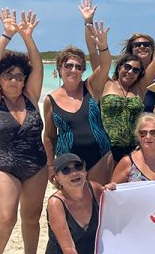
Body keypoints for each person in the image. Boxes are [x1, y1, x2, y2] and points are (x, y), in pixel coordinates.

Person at [0, 8, 48, 254]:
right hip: (2, 164)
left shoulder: (31, 96)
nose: (15, 80)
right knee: (6, 217)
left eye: (20, 76)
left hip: (36, 164)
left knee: (31, 217)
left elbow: (38, 67)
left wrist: (28, 37)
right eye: (9, 76)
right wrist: (8, 34)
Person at [43, 153, 119, 254]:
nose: (74, 172)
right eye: (66, 170)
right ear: (57, 179)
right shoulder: (56, 203)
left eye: (78, 166)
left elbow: (120, 212)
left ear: (85, 171)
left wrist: (114, 191)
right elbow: (68, 250)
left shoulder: (96, 189)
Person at [43, 26, 113, 185]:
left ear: (83, 71)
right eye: (68, 65)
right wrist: (50, 165)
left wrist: (103, 47)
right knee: (74, 200)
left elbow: (105, 65)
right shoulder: (50, 100)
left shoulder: (91, 87)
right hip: (68, 163)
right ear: (59, 68)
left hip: (100, 158)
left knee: (99, 197)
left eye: (78, 67)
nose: (73, 70)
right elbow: (49, 135)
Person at [116, 13, 155, 112]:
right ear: (131, 50)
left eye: (146, 44)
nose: (142, 47)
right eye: (137, 45)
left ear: (152, 49)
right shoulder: (126, 71)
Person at [100, 54, 146, 164]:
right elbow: (97, 59)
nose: (130, 72)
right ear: (119, 67)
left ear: (138, 75)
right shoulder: (106, 83)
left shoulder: (139, 89)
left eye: (136, 70)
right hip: (107, 149)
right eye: (127, 67)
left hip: (134, 149)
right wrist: (102, 47)